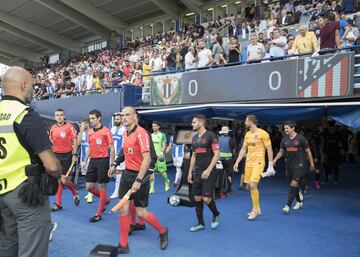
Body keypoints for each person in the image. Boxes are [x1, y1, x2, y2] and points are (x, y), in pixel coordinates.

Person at [0, 66, 62, 257]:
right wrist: (58, 172)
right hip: (26, 194)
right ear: (24, 84)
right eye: (32, 86)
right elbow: (51, 165)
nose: (33, 90)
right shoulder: (25, 114)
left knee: (7, 247)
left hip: (2, 193)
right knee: (32, 250)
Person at [108, 107, 168, 254]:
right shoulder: (125, 132)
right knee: (123, 209)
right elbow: (124, 150)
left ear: (135, 117)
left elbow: (147, 158)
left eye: (127, 115)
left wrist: (139, 180)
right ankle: (123, 244)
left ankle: (162, 231)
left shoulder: (141, 133)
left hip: (140, 176)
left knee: (142, 213)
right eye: (122, 115)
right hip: (127, 175)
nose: (124, 117)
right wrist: (115, 164)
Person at [233, 115, 274, 221]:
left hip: (259, 162)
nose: (245, 122)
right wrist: (237, 162)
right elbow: (243, 149)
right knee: (251, 187)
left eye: (246, 121)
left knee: (252, 184)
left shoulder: (263, 133)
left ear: (251, 121)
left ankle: (255, 210)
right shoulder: (247, 134)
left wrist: (270, 165)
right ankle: (257, 207)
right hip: (248, 163)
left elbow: (269, 149)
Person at [273, 121, 315, 214]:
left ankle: (287, 205)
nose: (285, 130)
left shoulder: (301, 138)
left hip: (300, 165)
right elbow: (281, 151)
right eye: (284, 128)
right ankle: (299, 202)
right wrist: (275, 159)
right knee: (293, 185)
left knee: (294, 183)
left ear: (293, 128)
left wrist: (312, 164)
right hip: (289, 165)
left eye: (287, 128)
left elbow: (308, 152)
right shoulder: (284, 139)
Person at [187, 114, 221, 232]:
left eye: (194, 122)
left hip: (209, 172)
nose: (192, 124)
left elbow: (217, 154)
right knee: (197, 198)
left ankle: (216, 214)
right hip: (197, 172)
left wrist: (208, 169)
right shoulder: (194, 138)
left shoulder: (211, 136)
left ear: (200, 123)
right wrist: (190, 172)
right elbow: (194, 155)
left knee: (206, 199)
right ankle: (200, 223)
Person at [84, 109, 115, 222]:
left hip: (103, 161)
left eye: (93, 118)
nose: (91, 120)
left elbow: (111, 147)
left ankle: (98, 213)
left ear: (99, 118)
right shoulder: (90, 132)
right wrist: (85, 160)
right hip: (92, 161)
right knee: (89, 187)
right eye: (90, 118)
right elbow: (89, 147)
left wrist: (113, 163)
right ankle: (105, 200)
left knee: (102, 186)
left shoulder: (106, 131)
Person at [49, 108, 80, 211]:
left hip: (67, 156)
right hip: (56, 155)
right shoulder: (53, 128)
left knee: (64, 179)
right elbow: (51, 141)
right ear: (55, 117)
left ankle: (74, 192)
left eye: (61, 115)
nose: (59, 116)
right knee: (58, 180)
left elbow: (75, 141)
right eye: (57, 115)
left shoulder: (69, 127)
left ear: (64, 116)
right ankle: (58, 204)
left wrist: (75, 154)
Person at [150, 121, 170, 194]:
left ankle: (167, 182)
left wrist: (161, 152)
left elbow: (164, 145)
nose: (154, 127)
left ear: (158, 127)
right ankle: (152, 188)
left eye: (155, 126)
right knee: (151, 172)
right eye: (153, 126)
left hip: (160, 156)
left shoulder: (162, 135)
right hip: (152, 157)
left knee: (162, 172)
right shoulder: (151, 135)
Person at [110, 112, 126, 199]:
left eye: (118, 119)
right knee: (116, 172)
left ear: (121, 120)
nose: (116, 121)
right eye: (115, 119)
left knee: (119, 172)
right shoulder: (112, 129)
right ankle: (121, 190)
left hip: (120, 155)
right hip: (113, 154)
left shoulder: (124, 129)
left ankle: (117, 192)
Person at [218, 126, 236, 195]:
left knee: (219, 174)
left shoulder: (218, 139)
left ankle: (219, 189)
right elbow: (234, 150)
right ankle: (229, 190)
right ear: (228, 132)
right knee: (229, 174)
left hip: (219, 159)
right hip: (228, 160)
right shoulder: (231, 139)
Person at [78, 119, 93, 203]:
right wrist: (80, 131)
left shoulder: (92, 132)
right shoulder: (82, 133)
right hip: (83, 157)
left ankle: (91, 194)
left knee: (90, 175)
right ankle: (90, 192)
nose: (82, 125)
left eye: (83, 124)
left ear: (87, 124)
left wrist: (87, 159)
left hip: (91, 157)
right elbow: (78, 143)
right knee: (86, 175)